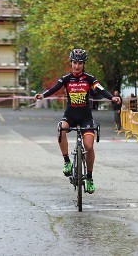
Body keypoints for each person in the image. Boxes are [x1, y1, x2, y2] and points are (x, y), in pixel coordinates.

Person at [34, 49, 120, 194]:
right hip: (71, 115)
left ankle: (90, 177)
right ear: (71, 63)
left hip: (86, 117)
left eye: (80, 63)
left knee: (89, 146)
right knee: (61, 128)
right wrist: (42, 95)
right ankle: (67, 161)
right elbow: (54, 88)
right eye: (74, 63)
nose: (77, 66)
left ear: (83, 64)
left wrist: (112, 98)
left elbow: (101, 89)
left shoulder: (90, 79)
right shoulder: (66, 78)